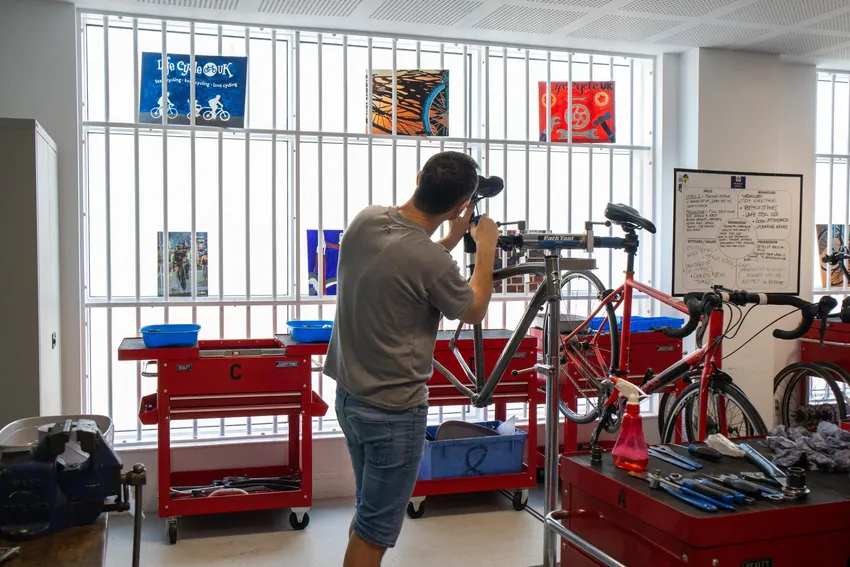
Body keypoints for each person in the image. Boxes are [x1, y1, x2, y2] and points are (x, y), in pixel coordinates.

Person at [324, 151, 499, 567]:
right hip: (393, 412)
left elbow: (402, 260)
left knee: (367, 514)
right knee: (375, 533)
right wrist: (486, 247)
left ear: (420, 177)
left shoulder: (366, 220)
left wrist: (450, 239)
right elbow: (473, 309)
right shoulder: (430, 261)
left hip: (350, 399)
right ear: (460, 206)